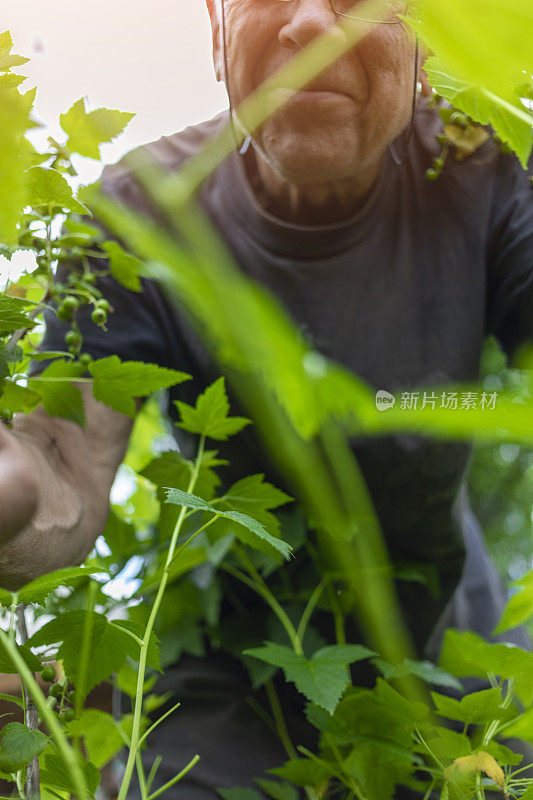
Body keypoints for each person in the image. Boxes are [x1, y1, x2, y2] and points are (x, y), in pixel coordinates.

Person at [1, 0, 533, 797]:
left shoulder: (479, 170)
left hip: (453, 626)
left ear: (420, 38)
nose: (312, 26)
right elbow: (63, 459)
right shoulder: (138, 211)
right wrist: (13, 491)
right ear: (216, 28)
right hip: (228, 647)